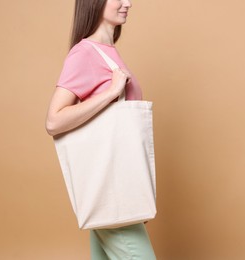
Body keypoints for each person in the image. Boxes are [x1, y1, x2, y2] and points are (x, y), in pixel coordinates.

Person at [46, 0, 156, 259]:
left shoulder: (107, 52)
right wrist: (111, 93)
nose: (128, 3)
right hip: (112, 190)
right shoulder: (85, 53)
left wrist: (136, 191)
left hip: (116, 188)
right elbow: (54, 121)